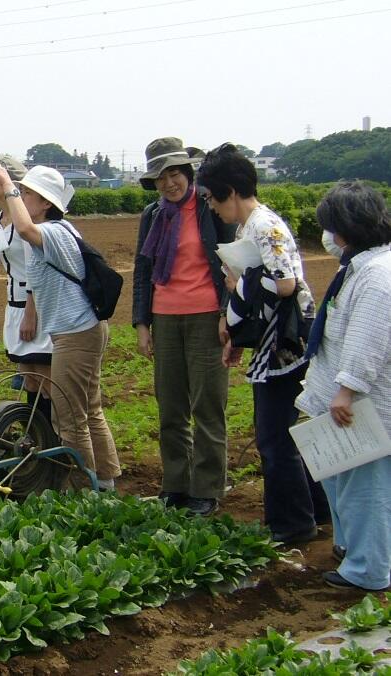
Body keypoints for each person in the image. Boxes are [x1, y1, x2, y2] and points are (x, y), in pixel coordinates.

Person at [197, 142, 328, 544]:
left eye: (211, 198)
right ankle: (315, 509)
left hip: (285, 344)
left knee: (274, 434)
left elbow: (285, 283)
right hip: (274, 340)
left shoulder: (264, 226)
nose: (211, 207)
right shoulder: (248, 226)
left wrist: (240, 284)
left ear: (230, 192)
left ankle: (293, 524)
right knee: (278, 431)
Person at [0, 164, 121, 491]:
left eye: (28, 193)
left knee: (69, 417)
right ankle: (105, 480)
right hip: (80, 329)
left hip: (76, 333)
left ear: (45, 203)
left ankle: (81, 489)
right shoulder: (56, 231)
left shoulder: (55, 231)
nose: (22, 196)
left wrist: (7, 184)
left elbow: (26, 229)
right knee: (89, 409)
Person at [132, 137, 236, 516]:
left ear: (188, 174)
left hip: (207, 316)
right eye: (160, 178)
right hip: (165, 317)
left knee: (208, 404)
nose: (168, 184)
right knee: (170, 406)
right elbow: (143, 270)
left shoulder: (209, 210)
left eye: (173, 174)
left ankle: (206, 489)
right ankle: (175, 484)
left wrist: (227, 313)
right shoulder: (153, 215)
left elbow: (231, 266)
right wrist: (142, 324)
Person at [296, 182, 391, 590]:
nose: (327, 237)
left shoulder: (377, 277)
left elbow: (367, 339)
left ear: (345, 230)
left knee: (364, 486)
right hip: (347, 398)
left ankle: (368, 570)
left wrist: (346, 390)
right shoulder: (361, 265)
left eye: (330, 228)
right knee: (342, 477)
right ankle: (353, 548)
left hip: (363, 403)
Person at [0, 154, 53, 407]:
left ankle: (54, 436)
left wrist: (30, 313)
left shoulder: (25, 218)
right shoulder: (0, 219)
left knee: (44, 377)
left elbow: (37, 266)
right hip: (14, 303)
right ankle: (36, 435)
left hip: (35, 304)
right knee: (27, 377)